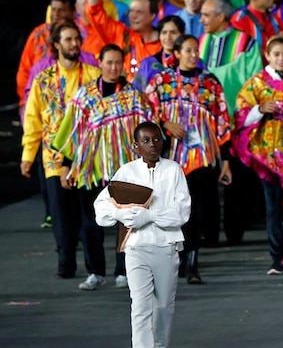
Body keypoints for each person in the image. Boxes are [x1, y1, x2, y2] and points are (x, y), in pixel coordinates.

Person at [52, 44, 155, 290]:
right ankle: (95, 271)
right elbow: (72, 134)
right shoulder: (85, 96)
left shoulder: (134, 96)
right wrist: (66, 167)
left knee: (126, 221)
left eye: (118, 62)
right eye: (108, 62)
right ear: (100, 63)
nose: (113, 67)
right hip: (91, 170)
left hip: (124, 171)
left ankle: (124, 270)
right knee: (91, 222)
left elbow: (147, 133)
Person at [94, 121, 191, 348]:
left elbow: (182, 211)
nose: (152, 145)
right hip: (136, 247)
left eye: (156, 139)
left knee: (163, 307)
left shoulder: (173, 170)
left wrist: (149, 216)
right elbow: (102, 208)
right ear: (135, 146)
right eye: (145, 141)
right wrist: (121, 213)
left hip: (166, 247)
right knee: (140, 306)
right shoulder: (127, 172)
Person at [145, 34, 232, 283]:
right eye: (189, 51)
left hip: (202, 156)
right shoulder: (162, 81)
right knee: (172, 210)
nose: (194, 55)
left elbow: (223, 123)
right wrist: (165, 123)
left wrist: (225, 162)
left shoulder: (210, 83)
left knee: (195, 209)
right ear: (178, 53)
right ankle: (176, 259)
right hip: (171, 157)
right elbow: (146, 111)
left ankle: (192, 262)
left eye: (196, 51)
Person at [21, 22, 101, 279]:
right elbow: (33, 119)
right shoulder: (42, 80)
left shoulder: (93, 76)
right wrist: (27, 156)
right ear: (56, 44)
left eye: (77, 39)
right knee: (61, 215)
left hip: (87, 157)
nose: (74, 44)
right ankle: (66, 263)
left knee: (89, 215)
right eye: (68, 39)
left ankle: (94, 268)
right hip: (54, 157)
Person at [232, 37, 283, 274]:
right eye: (276, 54)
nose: (281, 58)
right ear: (267, 55)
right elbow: (240, 113)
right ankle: (277, 256)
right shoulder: (256, 83)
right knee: (272, 206)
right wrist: (259, 109)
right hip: (266, 153)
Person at [87, 0, 162, 76]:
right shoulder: (121, 35)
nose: (133, 16)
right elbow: (95, 13)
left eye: (139, 12)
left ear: (152, 16)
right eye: (131, 11)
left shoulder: (164, 42)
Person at [133, 16, 186, 90]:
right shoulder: (148, 64)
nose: (168, 37)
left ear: (183, 34)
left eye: (173, 32)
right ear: (159, 36)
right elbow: (136, 93)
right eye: (164, 33)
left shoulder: (194, 62)